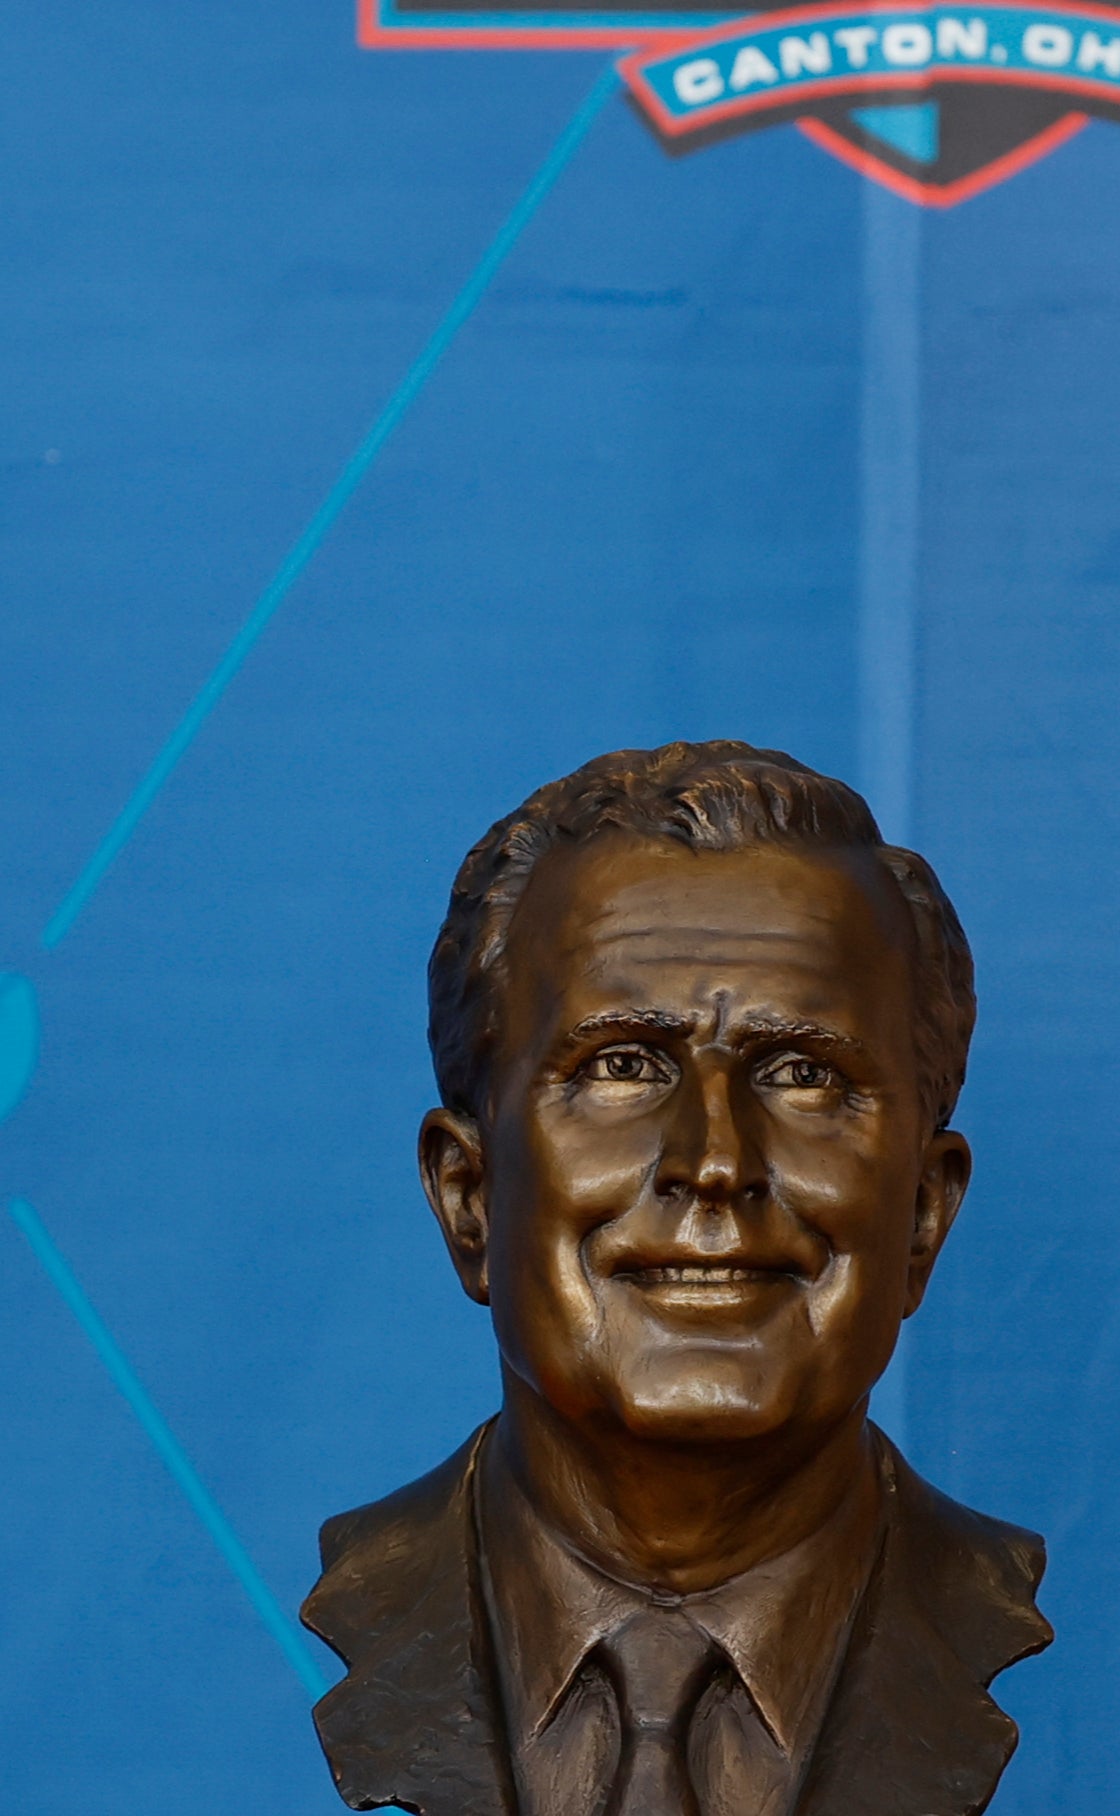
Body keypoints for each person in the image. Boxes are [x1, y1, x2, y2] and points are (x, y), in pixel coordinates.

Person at [303, 742, 1050, 1816]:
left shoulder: (993, 1610)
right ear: (469, 1196)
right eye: (620, 1066)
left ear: (925, 1213)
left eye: (803, 1075)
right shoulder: (347, 1603)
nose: (714, 1161)